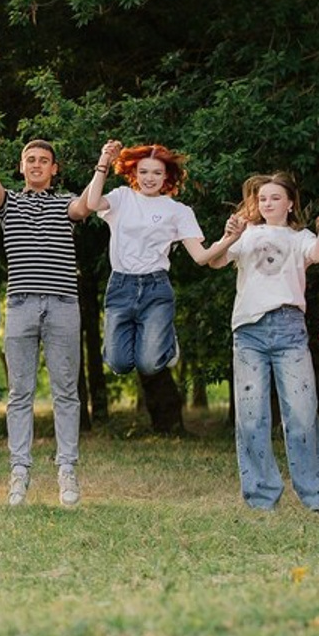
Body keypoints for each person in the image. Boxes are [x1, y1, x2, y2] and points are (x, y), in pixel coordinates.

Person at [0, 123, 90, 508]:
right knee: (19, 393)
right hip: (22, 305)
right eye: (31, 160)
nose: (37, 165)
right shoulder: (9, 203)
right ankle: (19, 471)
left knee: (66, 392)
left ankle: (67, 469)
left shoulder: (65, 202)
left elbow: (85, 206)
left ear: (54, 169)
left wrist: (104, 164)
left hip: (62, 303)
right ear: (22, 167)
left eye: (44, 160)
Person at [209, 173, 319, 511]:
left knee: (302, 414)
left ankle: (313, 493)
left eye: (275, 197)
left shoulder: (301, 237)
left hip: (289, 329)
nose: (268, 203)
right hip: (249, 332)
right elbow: (213, 260)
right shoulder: (247, 235)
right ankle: (260, 496)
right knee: (252, 416)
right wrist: (230, 236)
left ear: (289, 204)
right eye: (263, 198)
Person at [82, 139, 237, 375]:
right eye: (143, 171)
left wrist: (230, 239)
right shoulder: (122, 197)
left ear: (166, 176)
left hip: (156, 287)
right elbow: (92, 203)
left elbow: (201, 257)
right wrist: (104, 160)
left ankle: (165, 337)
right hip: (121, 285)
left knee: (149, 365)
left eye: (157, 172)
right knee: (118, 364)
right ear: (134, 172)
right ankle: (151, 334)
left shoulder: (178, 211)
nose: (149, 178)